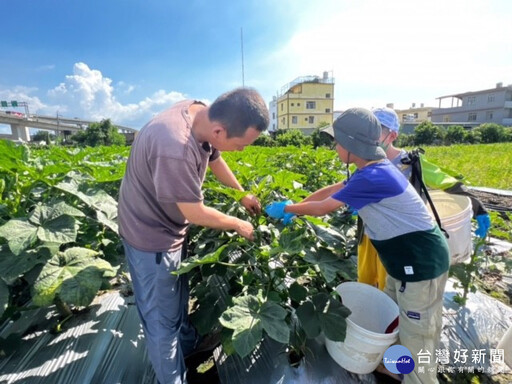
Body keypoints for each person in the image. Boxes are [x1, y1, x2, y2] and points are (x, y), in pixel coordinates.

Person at [266, 108, 450, 383]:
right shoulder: (372, 168)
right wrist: (299, 205)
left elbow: (324, 207)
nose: (335, 147)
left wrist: (288, 207)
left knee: (417, 336)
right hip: (403, 263)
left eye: (337, 142)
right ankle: (394, 369)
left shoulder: (373, 176)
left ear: (352, 145)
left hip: (420, 264)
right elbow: (330, 190)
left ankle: (420, 378)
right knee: (394, 315)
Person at [118, 87, 269, 384]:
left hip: (170, 226)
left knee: (177, 294)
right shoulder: (174, 145)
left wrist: (241, 195)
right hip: (151, 236)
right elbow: (194, 212)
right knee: (161, 323)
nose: (240, 151)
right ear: (219, 130)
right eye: (240, 145)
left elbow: (215, 158)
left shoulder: (200, 112)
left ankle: (187, 344)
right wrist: (238, 223)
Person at [356, 107, 490, 290]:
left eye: (377, 131)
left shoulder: (411, 163)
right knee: (365, 282)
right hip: (369, 236)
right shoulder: (364, 161)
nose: (371, 137)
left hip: (398, 240)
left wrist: (479, 209)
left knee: (390, 287)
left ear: (392, 135)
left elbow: (449, 183)